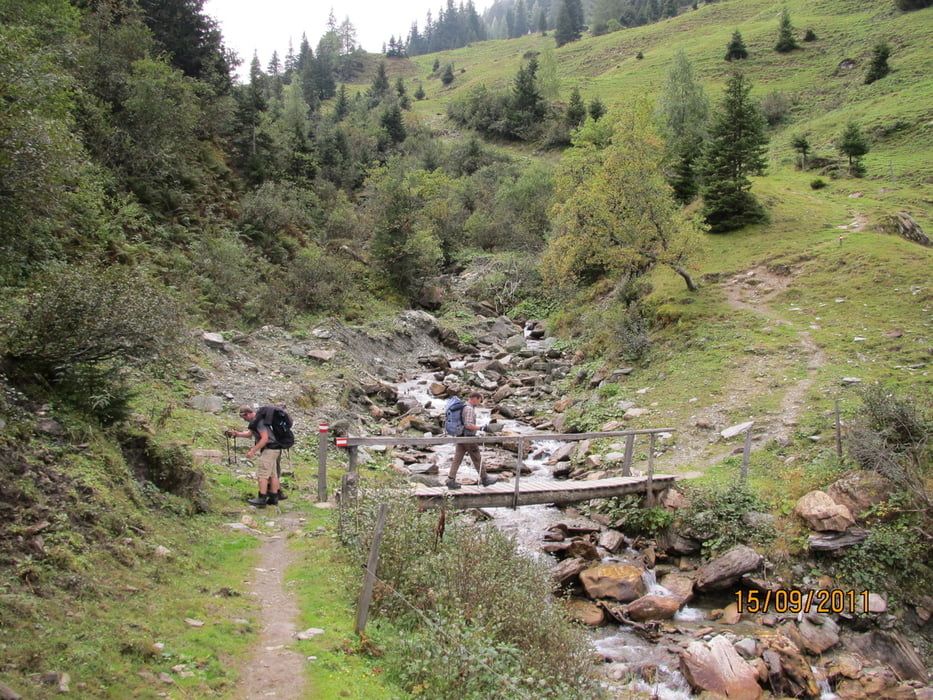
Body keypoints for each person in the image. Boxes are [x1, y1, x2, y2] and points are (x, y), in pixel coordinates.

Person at [226, 406, 283, 507]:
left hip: (269, 449)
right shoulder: (257, 421)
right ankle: (274, 497)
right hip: (275, 448)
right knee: (273, 474)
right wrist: (237, 434)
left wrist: (252, 451)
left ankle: (261, 498)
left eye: (244, 418)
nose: (244, 420)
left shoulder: (259, 422)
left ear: (247, 414)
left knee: (262, 474)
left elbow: (264, 438)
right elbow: (250, 434)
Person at [446, 392, 498, 489]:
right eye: (479, 400)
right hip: (468, 438)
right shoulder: (469, 409)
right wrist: (481, 428)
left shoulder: (464, 407)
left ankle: (451, 480)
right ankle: (485, 479)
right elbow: (468, 425)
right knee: (477, 457)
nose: (479, 403)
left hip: (461, 436)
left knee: (457, 459)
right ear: (475, 398)